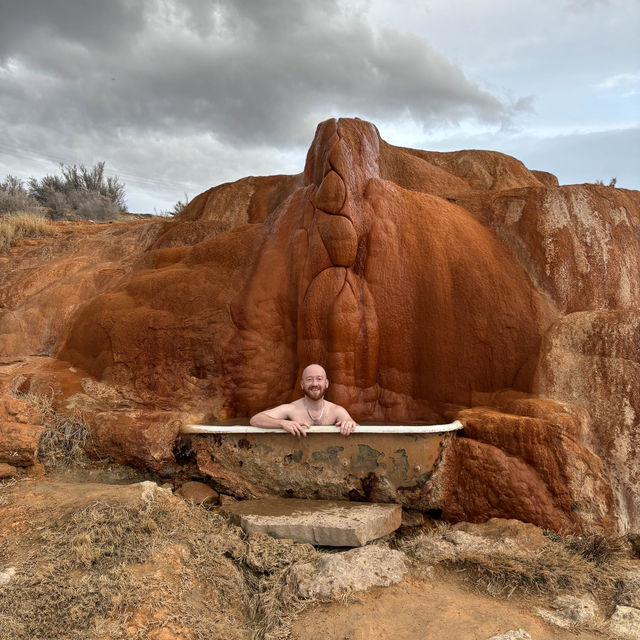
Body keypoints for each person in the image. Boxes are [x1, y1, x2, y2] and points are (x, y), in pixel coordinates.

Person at [249, 363, 358, 437]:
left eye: (319, 379)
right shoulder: (291, 409)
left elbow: (359, 430)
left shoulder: (337, 411)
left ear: (326, 383)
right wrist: (282, 424)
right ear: (302, 384)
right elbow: (255, 419)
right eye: (309, 379)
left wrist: (350, 424)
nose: (314, 384)